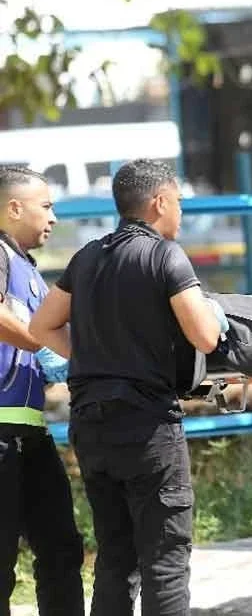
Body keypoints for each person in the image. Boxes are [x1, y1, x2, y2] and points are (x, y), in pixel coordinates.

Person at [29, 158, 229, 616]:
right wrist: (210, 316)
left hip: (92, 427)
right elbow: (204, 336)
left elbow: (43, 326)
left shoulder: (87, 256)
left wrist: (91, 358)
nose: (181, 212)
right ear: (159, 202)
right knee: (166, 558)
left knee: (117, 557)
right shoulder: (163, 255)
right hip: (147, 429)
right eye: (178, 202)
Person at [0, 165, 84, 616]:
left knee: (61, 550)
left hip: (29, 432)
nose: (53, 217)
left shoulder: (26, 267)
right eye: (46, 206)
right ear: (14, 207)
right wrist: (39, 335)